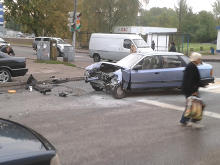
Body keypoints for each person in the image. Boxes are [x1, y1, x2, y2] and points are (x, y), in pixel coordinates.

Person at [180, 52, 204, 127]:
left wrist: (202, 85)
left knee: (191, 104)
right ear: (196, 59)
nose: (200, 60)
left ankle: (186, 120)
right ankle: (189, 120)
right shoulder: (191, 67)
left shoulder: (192, 66)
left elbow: (195, 79)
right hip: (190, 90)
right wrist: (193, 91)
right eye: (200, 59)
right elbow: (189, 81)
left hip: (190, 89)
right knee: (195, 104)